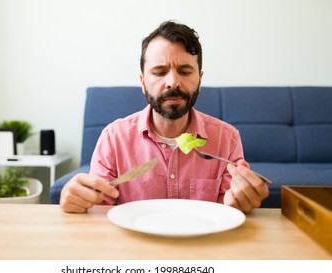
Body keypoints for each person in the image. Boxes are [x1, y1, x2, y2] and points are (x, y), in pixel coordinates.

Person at [60, 20, 269, 214]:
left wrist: (240, 202)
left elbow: (228, 210)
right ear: (142, 82)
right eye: (159, 72)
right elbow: (97, 209)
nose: (173, 82)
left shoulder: (227, 139)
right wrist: (76, 201)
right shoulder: (114, 138)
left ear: (200, 79)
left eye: (185, 71)